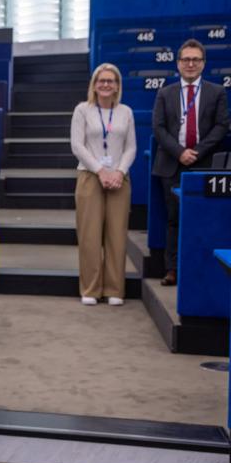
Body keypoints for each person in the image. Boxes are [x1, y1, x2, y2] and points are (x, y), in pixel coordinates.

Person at [152, 39, 229, 286]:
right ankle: (172, 269)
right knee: (174, 218)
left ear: (203, 63)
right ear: (178, 63)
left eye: (196, 59)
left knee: (204, 220)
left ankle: (200, 269)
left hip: (204, 163)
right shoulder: (165, 93)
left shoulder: (217, 92)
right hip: (171, 164)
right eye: (186, 59)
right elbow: (158, 128)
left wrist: (196, 151)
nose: (190, 64)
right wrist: (179, 152)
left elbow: (222, 126)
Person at [70, 63, 136, 306]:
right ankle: (91, 288)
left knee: (116, 235)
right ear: (94, 85)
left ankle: (114, 289)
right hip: (90, 176)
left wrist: (119, 171)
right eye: (102, 80)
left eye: (111, 81)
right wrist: (100, 171)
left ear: (117, 85)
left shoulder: (125, 112)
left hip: (119, 178)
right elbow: (77, 146)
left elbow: (131, 147)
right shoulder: (82, 110)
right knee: (89, 235)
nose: (106, 84)